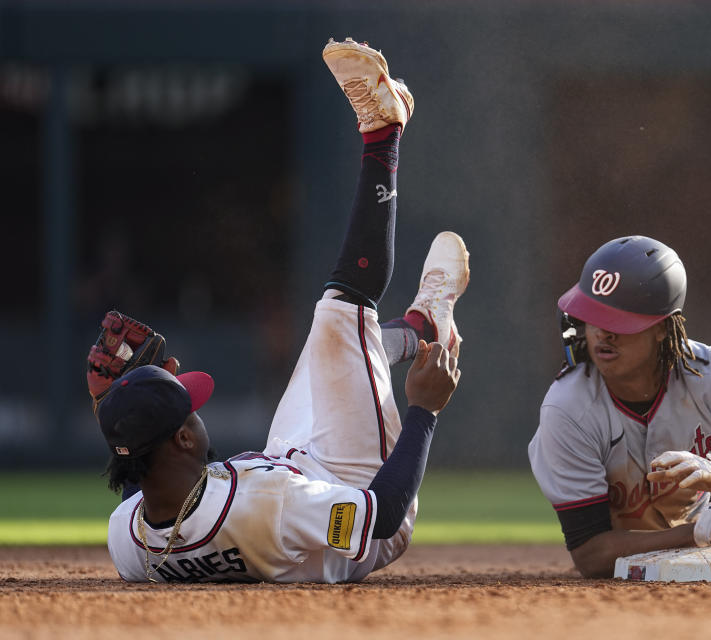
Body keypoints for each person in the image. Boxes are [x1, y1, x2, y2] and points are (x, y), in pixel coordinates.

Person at [88, 37, 471, 584]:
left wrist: (116, 410)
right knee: (338, 317)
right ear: (183, 440)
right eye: (189, 412)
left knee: (331, 348)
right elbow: (382, 516)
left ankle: (420, 328)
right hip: (362, 495)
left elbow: (136, 477)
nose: (198, 415)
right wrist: (424, 411)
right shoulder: (265, 508)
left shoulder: (133, 544)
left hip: (289, 470)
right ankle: (383, 132)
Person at [527, 236, 711, 578]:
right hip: (632, 539)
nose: (602, 333)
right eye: (592, 315)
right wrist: (700, 535)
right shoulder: (567, 407)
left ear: (663, 327)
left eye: (618, 320)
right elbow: (590, 555)